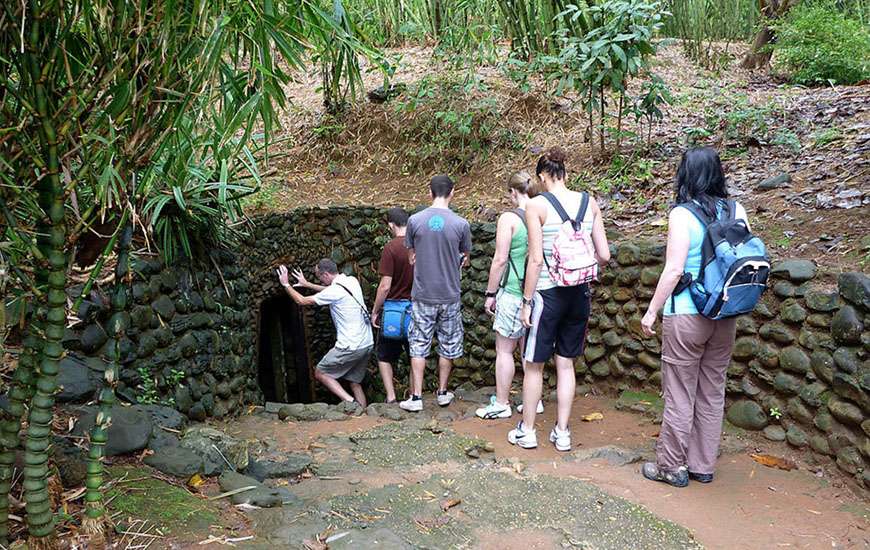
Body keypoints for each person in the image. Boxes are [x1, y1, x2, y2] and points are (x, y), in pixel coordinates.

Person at [639, 147, 748, 487]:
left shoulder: (682, 215)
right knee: (713, 389)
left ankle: (672, 465)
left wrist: (652, 311)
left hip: (687, 313)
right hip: (724, 312)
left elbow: (673, 270)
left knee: (680, 391)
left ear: (685, 175)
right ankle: (702, 464)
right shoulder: (737, 209)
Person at [508, 147, 610, 451]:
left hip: (546, 295)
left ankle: (528, 430)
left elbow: (536, 260)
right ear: (565, 172)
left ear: (541, 175)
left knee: (534, 365)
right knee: (566, 364)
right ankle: (562, 432)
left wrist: (526, 301)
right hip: (579, 293)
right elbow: (604, 255)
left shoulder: (536, 206)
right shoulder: (588, 202)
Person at [400, 175, 472, 412]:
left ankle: (417, 397)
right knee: (448, 343)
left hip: (422, 294)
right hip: (450, 293)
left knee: (419, 343)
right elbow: (465, 259)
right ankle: (442, 392)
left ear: (429, 193)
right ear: (453, 192)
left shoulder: (414, 221)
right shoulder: (461, 224)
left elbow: (411, 256)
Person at [476, 171, 542, 419]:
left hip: (513, 291)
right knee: (530, 351)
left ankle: (502, 402)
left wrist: (490, 293)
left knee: (505, 349)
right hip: (537, 292)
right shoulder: (542, 213)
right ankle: (533, 400)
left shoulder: (509, 219)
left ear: (513, 192)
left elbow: (500, 259)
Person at [277, 259, 373, 407]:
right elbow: (330, 291)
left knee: (321, 373)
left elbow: (301, 300)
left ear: (326, 274)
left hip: (350, 346)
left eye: (319, 277)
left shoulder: (335, 291)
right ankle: (365, 414)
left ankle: (351, 403)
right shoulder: (351, 281)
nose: (319, 280)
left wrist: (286, 284)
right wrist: (307, 284)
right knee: (354, 382)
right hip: (367, 343)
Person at [370, 207, 414, 403]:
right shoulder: (418, 245)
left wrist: (375, 311)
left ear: (391, 225)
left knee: (384, 355)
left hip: (394, 310)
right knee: (415, 354)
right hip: (416, 308)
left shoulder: (390, 248)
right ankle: (415, 394)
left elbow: (385, 285)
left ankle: (391, 396)